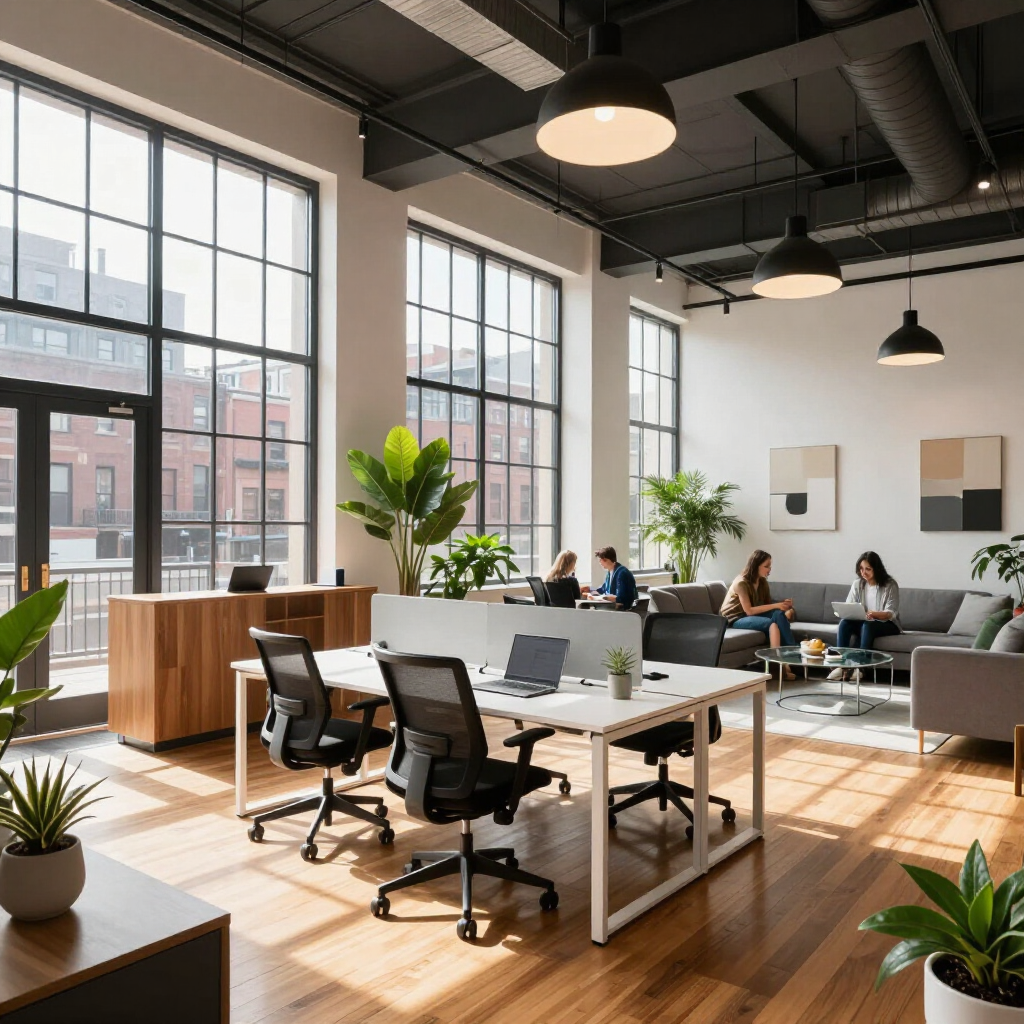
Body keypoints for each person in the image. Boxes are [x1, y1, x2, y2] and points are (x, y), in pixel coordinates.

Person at [720, 550, 798, 680]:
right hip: (736, 618)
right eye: (766, 566)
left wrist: (783, 606)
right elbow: (749, 611)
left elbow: (767, 606)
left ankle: (791, 656)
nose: (769, 569)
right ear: (755, 566)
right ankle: (778, 666)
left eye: (770, 566)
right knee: (772, 624)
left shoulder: (762, 582)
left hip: (751, 615)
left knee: (778, 614)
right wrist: (776, 605)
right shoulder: (741, 583)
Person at [830, 551, 901, 681]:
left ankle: (861, 668)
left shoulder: (890, 585)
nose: (863, 572)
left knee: (868, 625)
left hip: (887, 624)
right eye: (861, 569)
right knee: (844, 624)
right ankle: (841, 665)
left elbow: (891, 613)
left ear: (877, 569)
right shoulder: (858, 584)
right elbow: (850, 605)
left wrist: (874, 614)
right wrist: (848, 612)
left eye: (868, 569)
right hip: (864, 622)